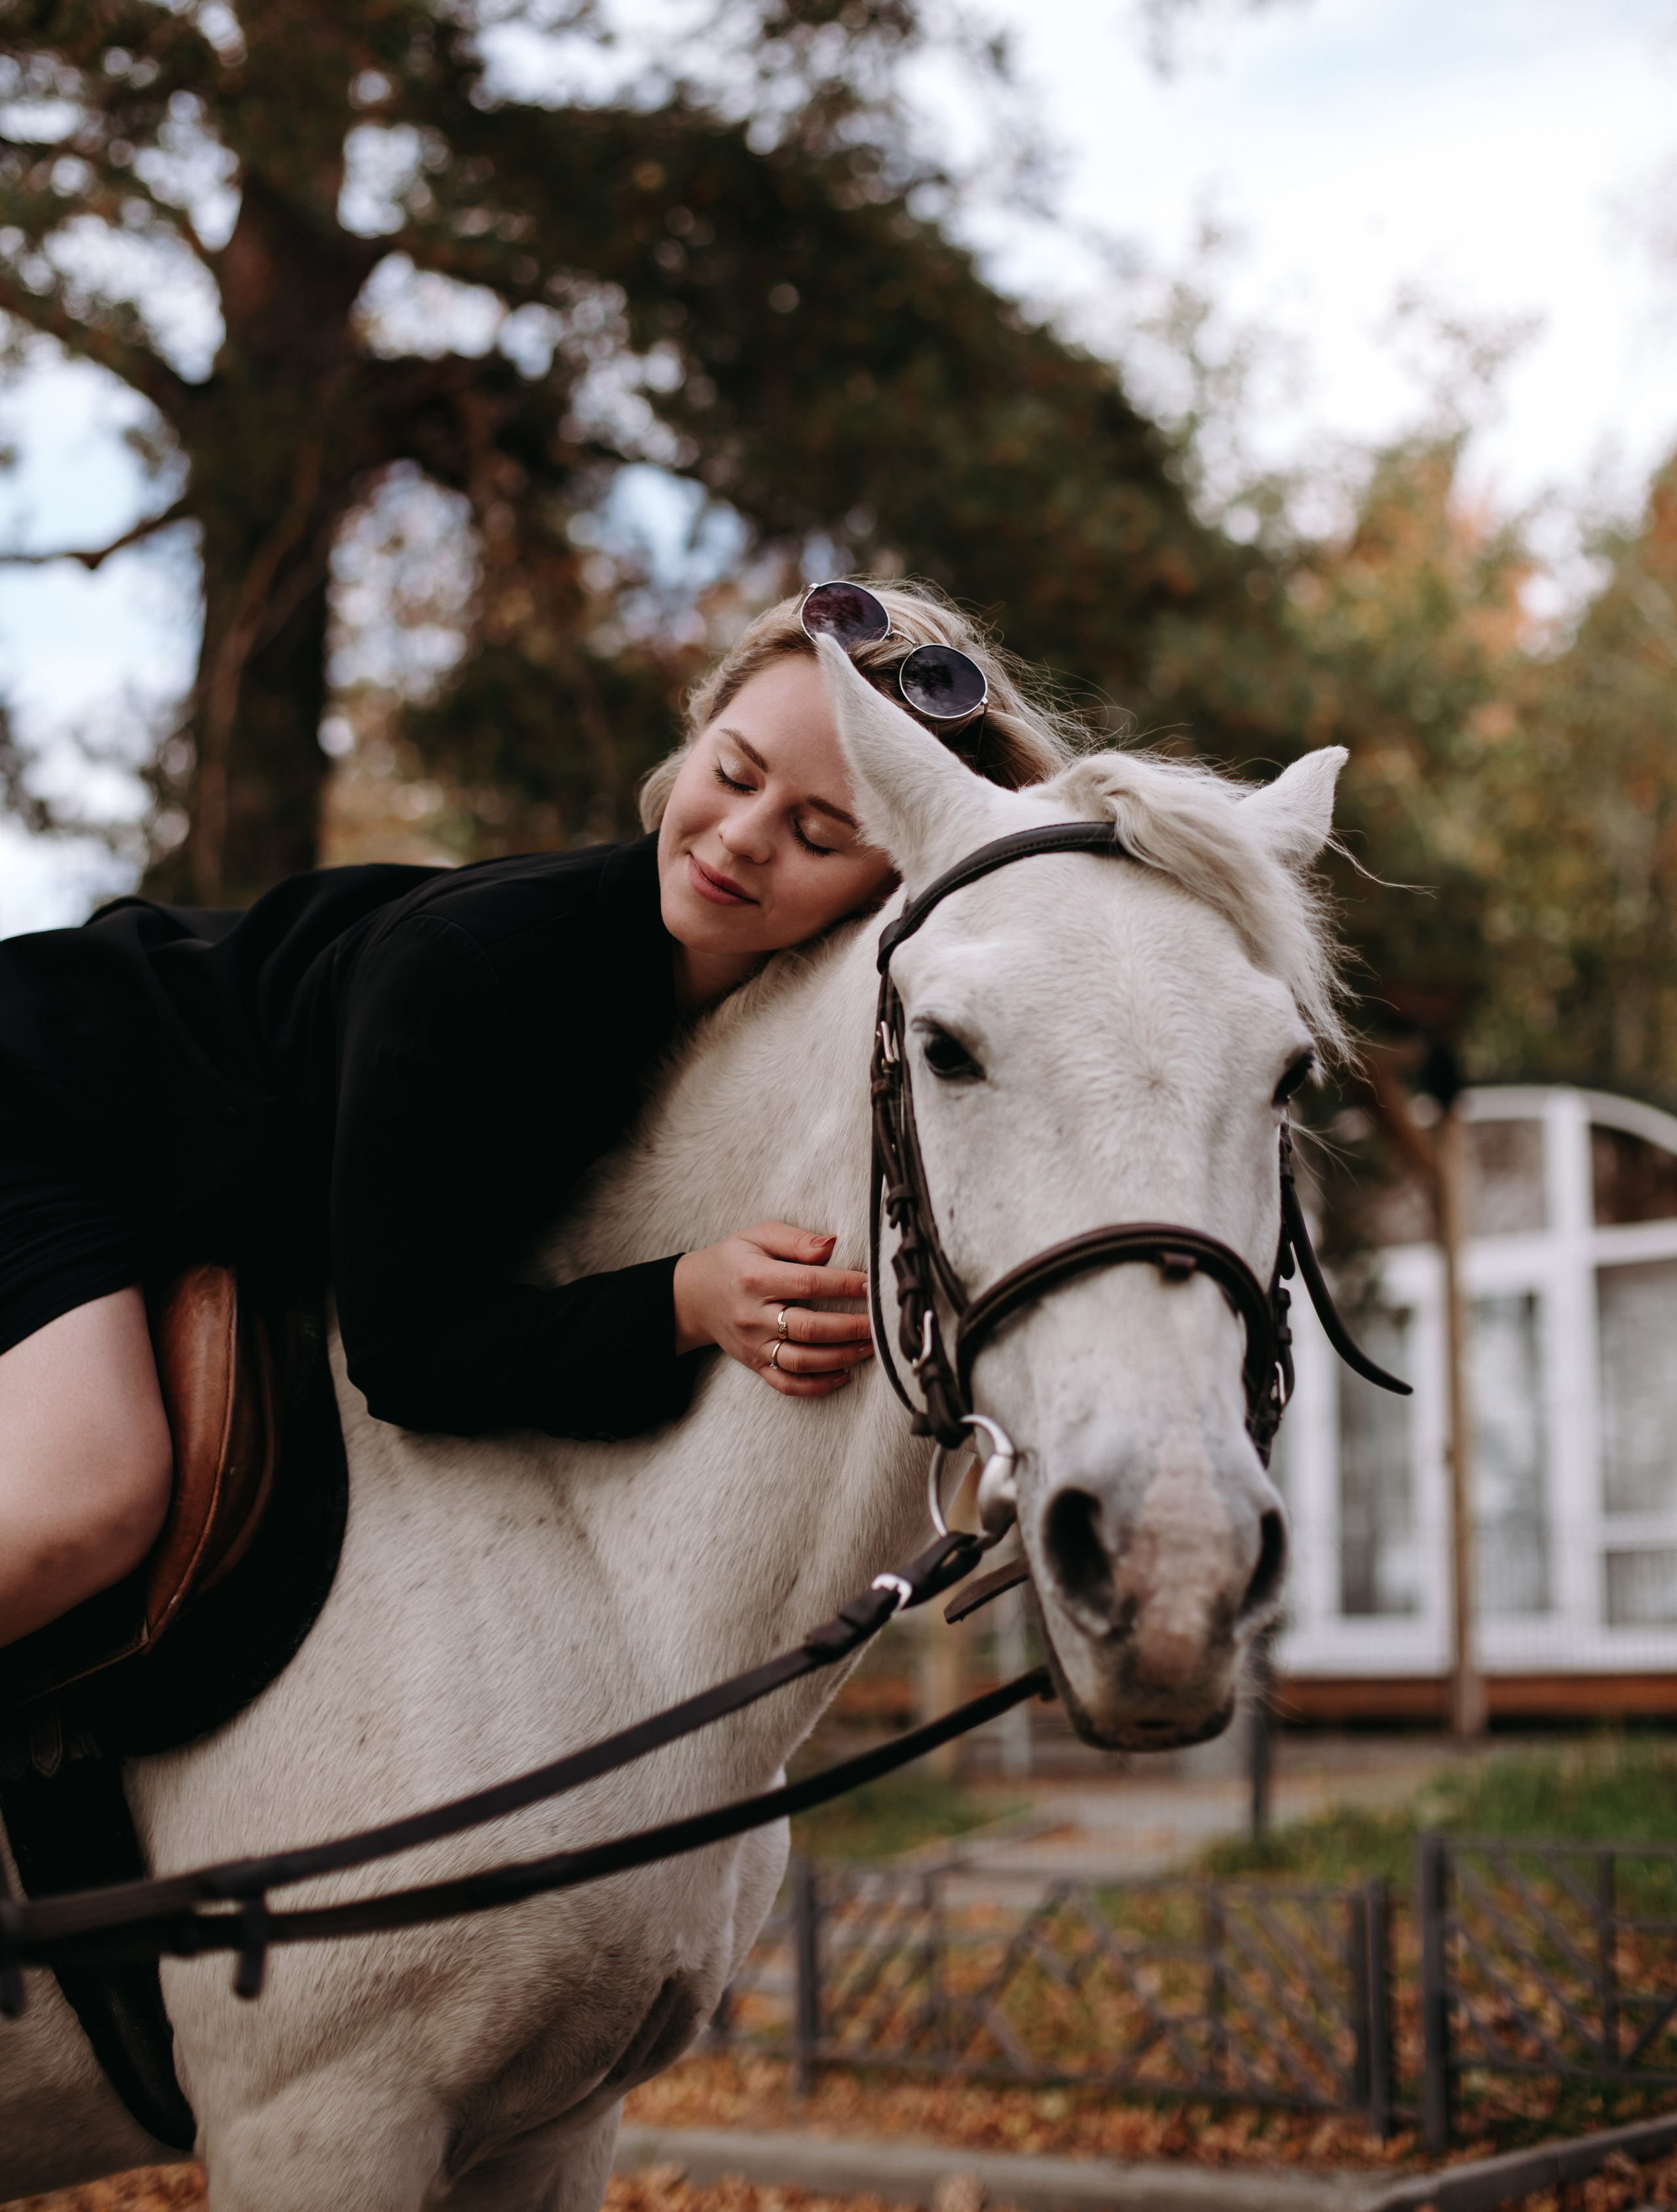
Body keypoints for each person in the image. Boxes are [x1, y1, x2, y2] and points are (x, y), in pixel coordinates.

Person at [0, 581, 1077, 1652]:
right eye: (735, 773)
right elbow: (406, 1356)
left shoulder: (758, 1023)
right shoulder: (480, 973)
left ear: (887, 884)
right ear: (697, 737)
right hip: (42, 1094)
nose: (744, 838)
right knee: (91, 1506)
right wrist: (686, 1300)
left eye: (818, 832)